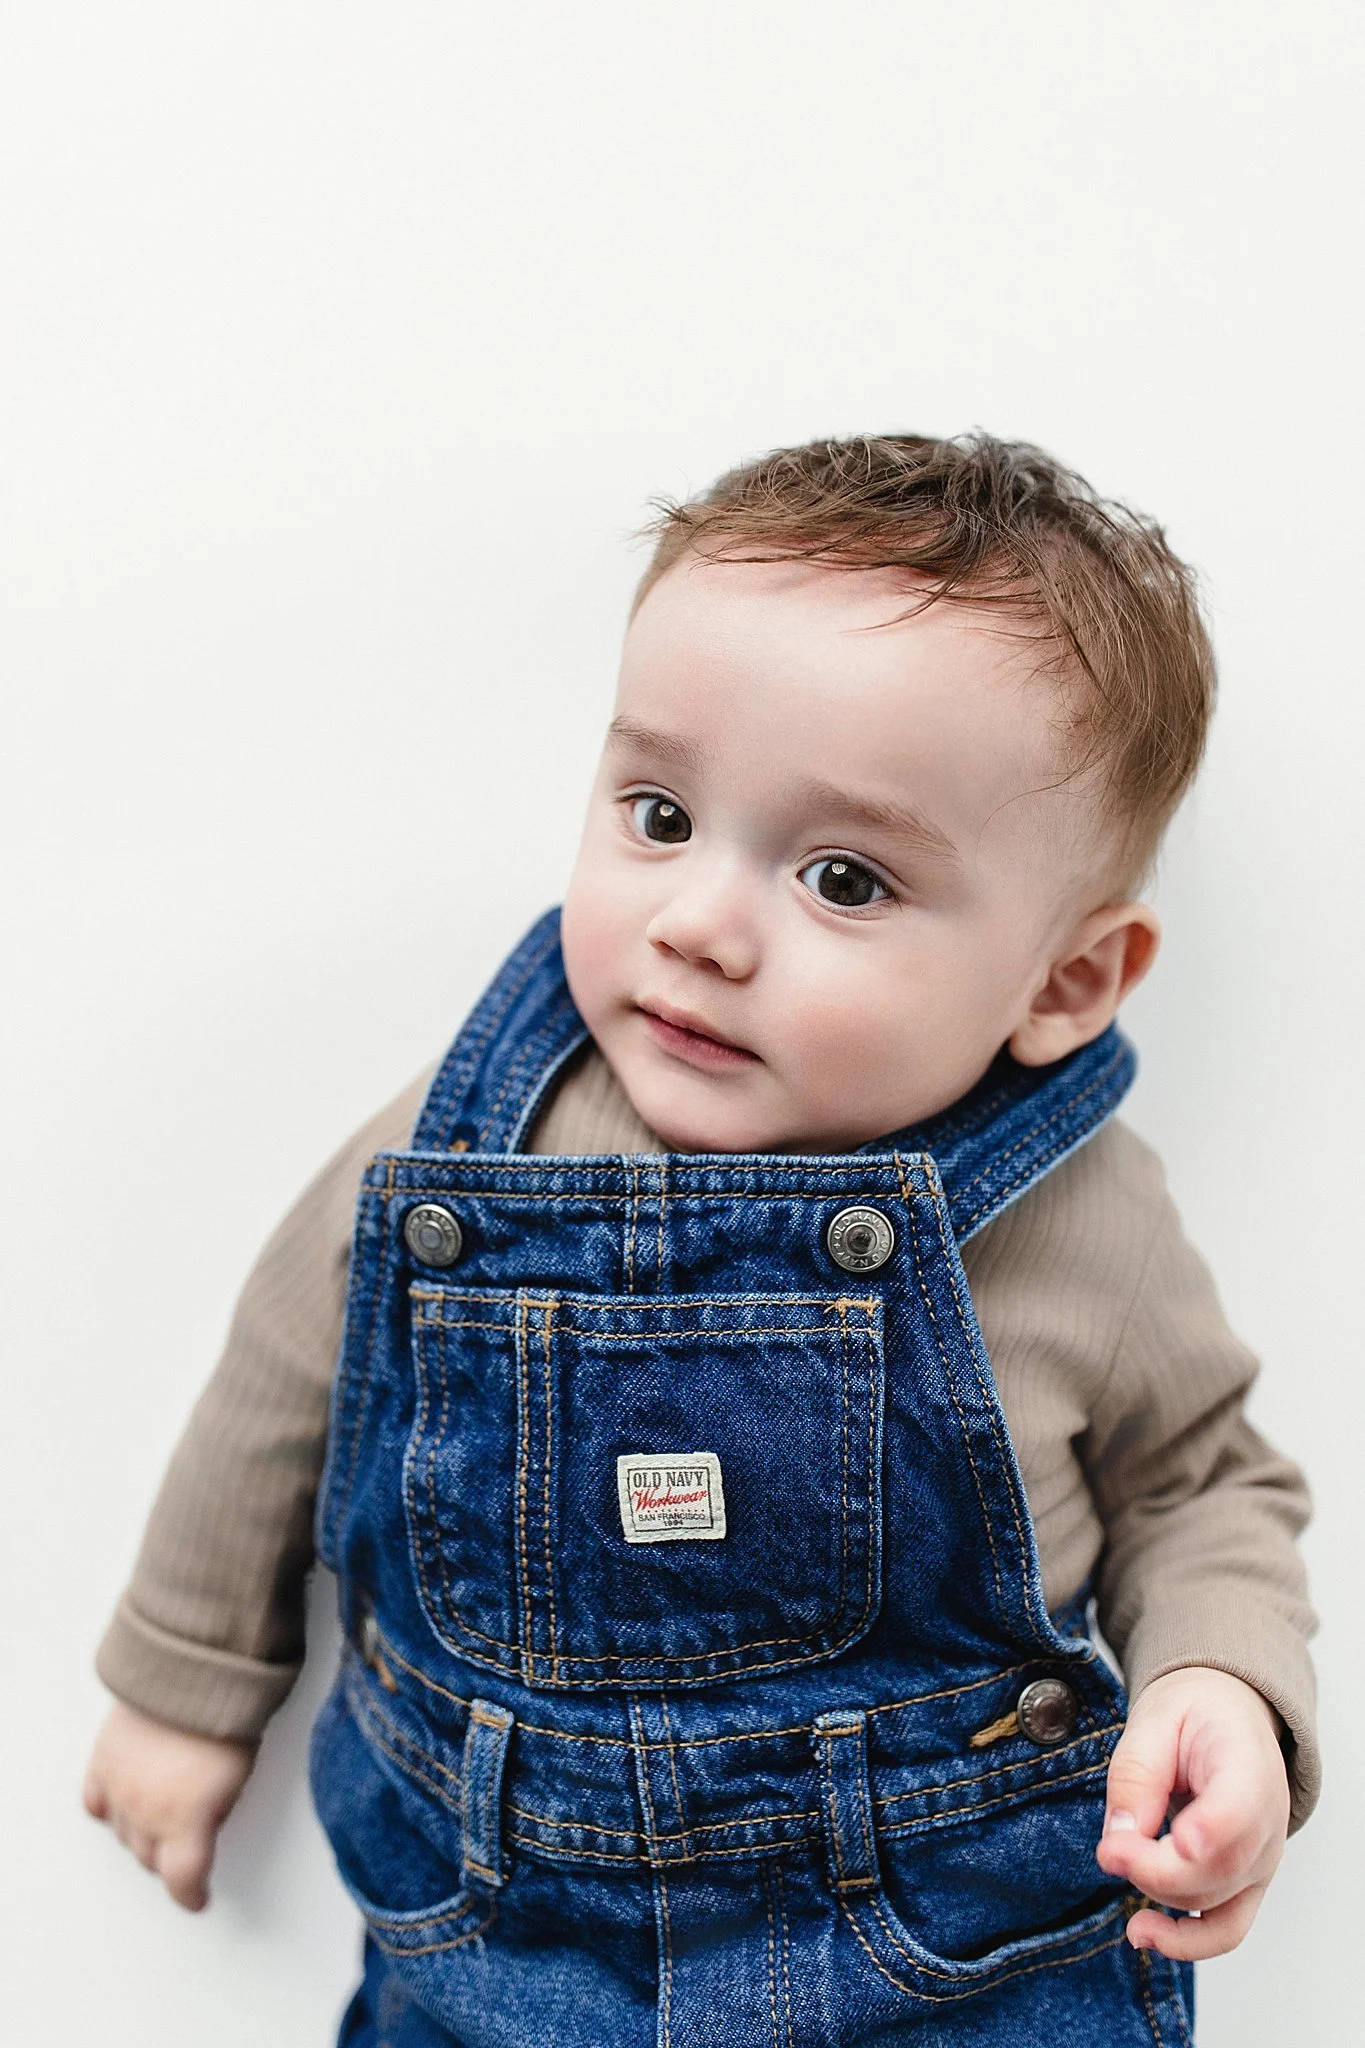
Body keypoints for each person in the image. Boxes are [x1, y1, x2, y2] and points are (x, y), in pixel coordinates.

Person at [83, 434, 1316, 2045]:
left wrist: (1225, 1689)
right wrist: (182, 1682)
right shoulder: (475, 1141)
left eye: (843, 877)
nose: (701, 924)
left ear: (1066, 984)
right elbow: (283, 1379)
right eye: (659, 814)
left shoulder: (1078, 1212)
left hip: (960, 1956)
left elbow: (1202, 1483)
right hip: (505, 1944)